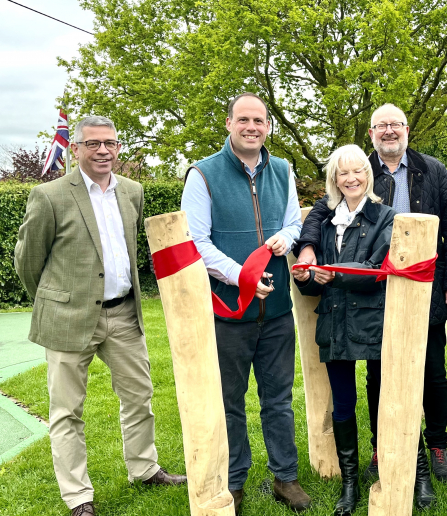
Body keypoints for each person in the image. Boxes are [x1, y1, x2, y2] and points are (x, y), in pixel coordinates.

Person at [14, 116, 186, 516]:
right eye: (93, 144)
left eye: (110, 143)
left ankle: (144, 468)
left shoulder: (133, 191)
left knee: (139, 397)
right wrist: (55, 300)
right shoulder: (49, 195)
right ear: (76, 149)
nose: (103, 150)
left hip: (124, 313)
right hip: (68, 318)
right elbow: (27, 262)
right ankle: (78, 497)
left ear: (119, 148)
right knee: (67, 411)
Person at [295, 103, 447, 482]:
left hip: (423, 286)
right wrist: (308, 245)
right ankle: (381, 445)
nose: (389, 131)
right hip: (372, 292)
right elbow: (323, 211)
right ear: (371, 134)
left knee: (432, 370)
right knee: (379, 374)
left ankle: (435, 445)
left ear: (407, 129)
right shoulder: (359, 170)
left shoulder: (432, 170)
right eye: (380, 126)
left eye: (395, 125)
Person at [180, 93, 308, 514]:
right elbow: (195, 243)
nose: (252, 126)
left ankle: (284, 478)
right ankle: (234, 481)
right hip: (227, 311)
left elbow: (293, 222)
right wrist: (243, 277)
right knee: (230, 402)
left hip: (276, 314)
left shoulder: (284, 170)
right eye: (244, 119)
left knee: (279, 400)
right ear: (229, 123)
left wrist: (287, 239)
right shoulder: (203, 175)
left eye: (259, 120)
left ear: (268, 125)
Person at [293, 145, 419, 515]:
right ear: (335, 179)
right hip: (334, 321)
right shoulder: (324, 222)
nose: (351, 178)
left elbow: (376, 269)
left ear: (369, 175)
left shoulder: (386, 216)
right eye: (342, 173)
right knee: (343, 404)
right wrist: (305, 278)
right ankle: (350, 483)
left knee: (384, 397)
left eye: (358, 171)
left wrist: (334, 273)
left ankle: (396, 468)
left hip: (374, 320)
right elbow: (315, 285)